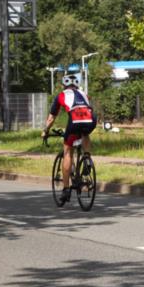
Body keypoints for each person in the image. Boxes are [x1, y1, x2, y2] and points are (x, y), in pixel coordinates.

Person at [42, 74, 96, 204]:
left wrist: (46, 131)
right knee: (85, 134)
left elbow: (51, 118)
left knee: (67, 152)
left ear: (64, 85)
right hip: (91, 119)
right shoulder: (84, 94)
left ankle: (66, 190)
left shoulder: (61, 95)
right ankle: (87, 158)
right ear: (76, 85)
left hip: (75, 121)